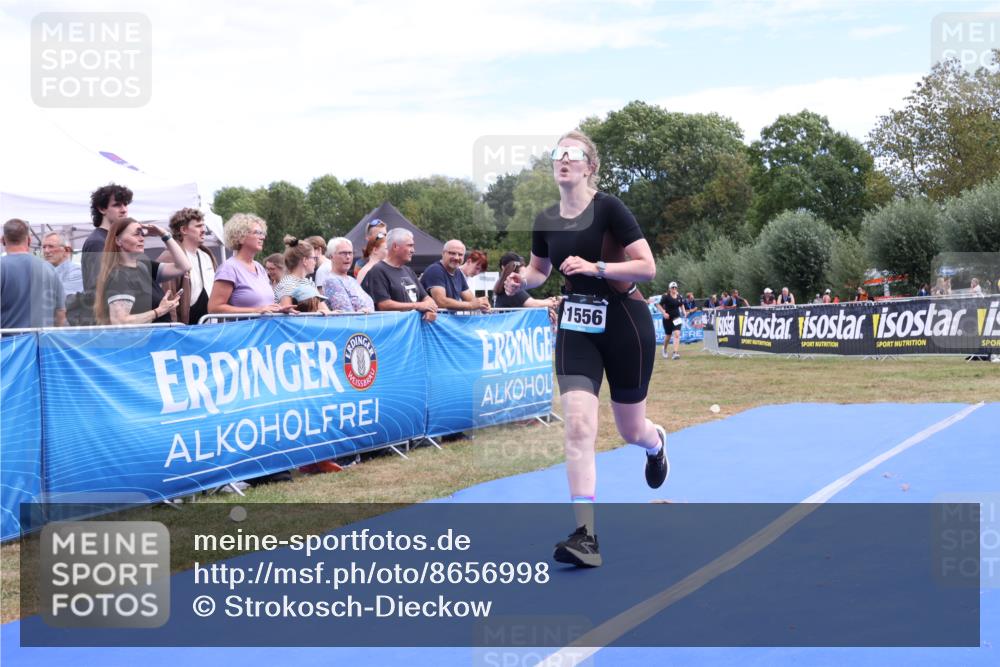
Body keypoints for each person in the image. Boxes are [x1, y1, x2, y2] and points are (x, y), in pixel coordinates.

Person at [506, 130, 666, 568]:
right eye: (557, 154)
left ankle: (655, 444)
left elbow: (648, 267)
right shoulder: (544, 218)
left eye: (572, 155)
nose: (563, 160)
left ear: (589, 166)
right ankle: (586, 536)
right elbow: (541, 271)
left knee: (630, 429)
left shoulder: (609, 208)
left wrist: (597, 267)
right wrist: (523, 280)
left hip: (624, 321)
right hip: (576, 326)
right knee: (578, 425)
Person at [93, 218, 190, 325]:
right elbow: (120, 321)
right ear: (118, 241)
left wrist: (164, 235)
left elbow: (184, 266)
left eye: (142, 234)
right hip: (142, 340)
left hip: (157, 338)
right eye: (136, 234)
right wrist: (159, 311)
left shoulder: (144, 266)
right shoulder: (119, 276)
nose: (142, 238)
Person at [208, 213, 296, 316]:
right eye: (257, 233)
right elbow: (214, 308)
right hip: (243, 331)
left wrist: (279, 309)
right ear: (240, 237)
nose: (262, 237)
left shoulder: (259, 267)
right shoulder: (229, 268)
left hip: (263, 330)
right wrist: (255, 310)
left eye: (262, 233)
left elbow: (264, 306)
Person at [1, 219, 66, 328]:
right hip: (41, 341)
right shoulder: (49, 269)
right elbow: (60, 312)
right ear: (29, 240)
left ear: (3, 240)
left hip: (9, 343)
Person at [361, 228, 438, 322]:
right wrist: (418, 306)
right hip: (392, 331)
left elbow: (426, 298)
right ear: (395, 246)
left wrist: (429, 310)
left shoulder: (408, 271)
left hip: (412, 330)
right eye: (409, 246)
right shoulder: (378, 270)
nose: (413, 250)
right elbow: (384, 305)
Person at [158, 208, 217, 325]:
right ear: (184, 230)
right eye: (198, 226)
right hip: (185, 328)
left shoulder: (208, 256)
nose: (204, 230)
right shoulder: (169, 257)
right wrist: (174, 328)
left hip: (211, 326)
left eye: (203, 226)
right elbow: (167, 296)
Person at [83, 184, 133, 292]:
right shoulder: (97, 242)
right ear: (102, 209)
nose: (124, 209)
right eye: (117, 205)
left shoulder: (113, 239)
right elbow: (99, 286)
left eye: (125, 204)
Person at [421, 239, 491, 312]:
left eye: (460, 254)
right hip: (432, 322)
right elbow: (441, 302)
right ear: (443, 253)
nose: (456, 258)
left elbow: (471, 299)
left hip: (444, 321)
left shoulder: (458, 273)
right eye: (452, 253)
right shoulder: (435, 270)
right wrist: (471, 305)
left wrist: (482, 304)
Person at [274, 236, 330, 313]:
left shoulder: (309, 282)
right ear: (305, 260)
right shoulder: (287, 283)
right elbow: (288, 315)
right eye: (314, 258)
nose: (315, 262)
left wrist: (326, 313)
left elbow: (324, 309)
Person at [322, 237, 374, 313]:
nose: (348, 257)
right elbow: (346, 313)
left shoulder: (352, 280)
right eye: (343, 253)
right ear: (331, 256)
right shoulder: (331, 281)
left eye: (350, 253)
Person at [493, 252, 559, 309]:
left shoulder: (502, 286)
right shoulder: (512, 286)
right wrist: (555, 301)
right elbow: (534, 304)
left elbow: (530, 301)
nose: (526, 277)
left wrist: (546, 301)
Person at [41, 232, 83, 296]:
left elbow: (61, 300)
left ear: (66, 250)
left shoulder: (76, 272)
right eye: (44, 247)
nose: (46, 251)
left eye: (51, 246)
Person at [656, 281, 685, 360]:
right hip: (667, 319)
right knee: (668, 336)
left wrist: (684, 312)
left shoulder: (679, 296)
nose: (674, 289)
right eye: (672, 287)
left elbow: (681, 304)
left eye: (675, 287)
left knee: (677, 334)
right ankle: (664, 349)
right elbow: (658, 305)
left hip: (677, 318)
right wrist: (664, 313)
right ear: (669, 289)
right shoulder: (666, 296)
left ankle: (675, 353)